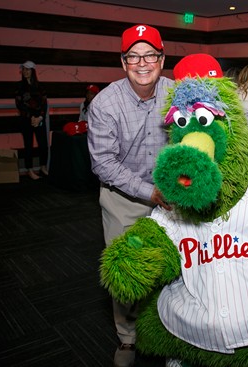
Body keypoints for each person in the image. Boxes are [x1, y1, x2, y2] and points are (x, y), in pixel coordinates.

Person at [87, 24, 173, 367]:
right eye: (133, 56)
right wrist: (148, 192)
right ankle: (127, 338)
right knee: (126, 272)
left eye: (149, 55)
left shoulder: (176, 93)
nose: (142, 63)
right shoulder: (105, 103)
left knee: (172, 268)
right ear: (123, 63)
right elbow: (103, 163)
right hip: (123, 199)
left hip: (170, 198)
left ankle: (168, 328)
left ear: (161, 59)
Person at [14, 60, 49, 180]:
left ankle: (43, 167)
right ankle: (29, 169)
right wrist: (31, 117)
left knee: (43, 144)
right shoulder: (19, 86)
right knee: (28, 145)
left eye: (27, 69)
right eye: (23, 69)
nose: (25, 71)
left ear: (32, 71)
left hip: (39, 120)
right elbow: (19, 104)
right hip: (26, 120)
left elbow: (44, 104)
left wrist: (39, 117)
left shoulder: (40, 87)